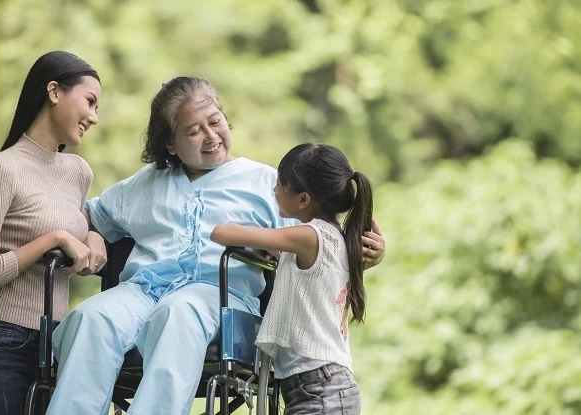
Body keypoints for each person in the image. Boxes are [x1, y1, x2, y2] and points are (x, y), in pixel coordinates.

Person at [46, 76, 385, 415]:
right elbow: (90, 216)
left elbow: (321, 247)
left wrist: (369, 253)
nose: (210, 137)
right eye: (193, 131)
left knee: (178, 311)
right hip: (142, 291)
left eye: (215, 121)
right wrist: (92, 235)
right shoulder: (144, 184)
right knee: (91, 317)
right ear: (171, 145)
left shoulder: (267, 183)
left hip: (220, 297)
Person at [0, 51, 106, 415]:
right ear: (54, 92)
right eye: (89, 101)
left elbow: (79, 224)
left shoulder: (78, 172)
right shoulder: (2, 167)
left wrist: (95, 234)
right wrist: (52, 240)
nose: (94, 117)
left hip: (55, 345)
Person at [211, 143, 374, 414]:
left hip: (319, 387)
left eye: (280, 184)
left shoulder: (308, 236)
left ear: (303, 200)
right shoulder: (334, 238)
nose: (274, 190)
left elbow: (222, 233)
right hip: (322, 385)